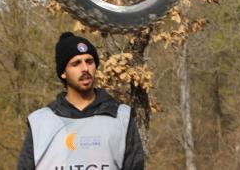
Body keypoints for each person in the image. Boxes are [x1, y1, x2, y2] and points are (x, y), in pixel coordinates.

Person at [17, 32, 145, 170]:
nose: (85, 68)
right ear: (63, 73)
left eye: (89, 61)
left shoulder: (121, 118)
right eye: (76, 63)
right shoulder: (40, 123)